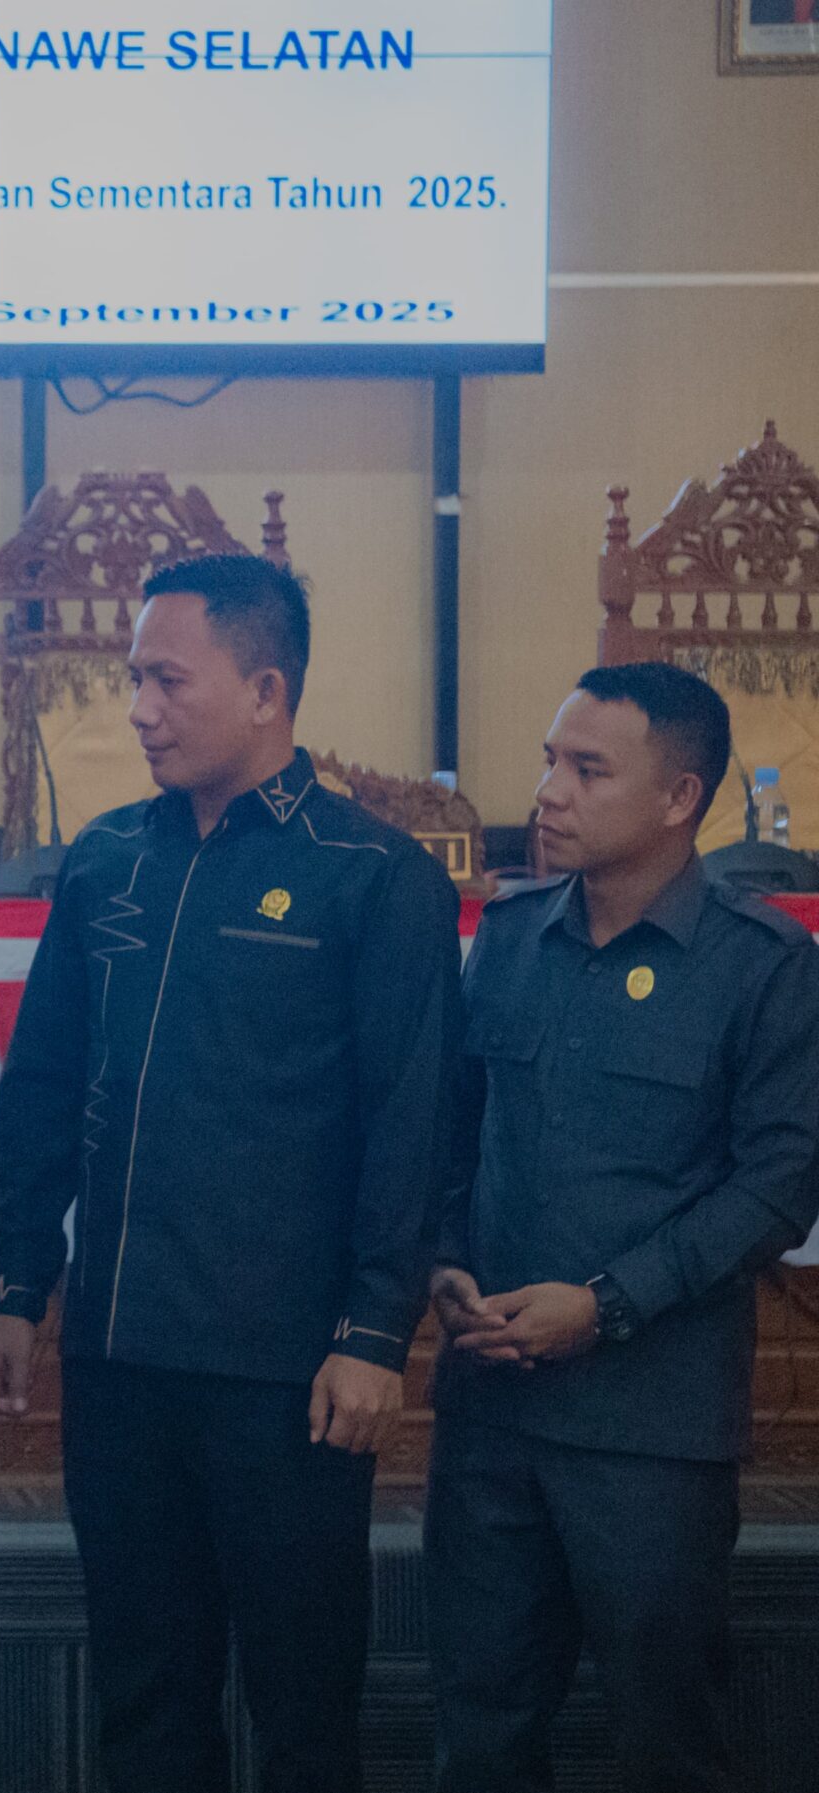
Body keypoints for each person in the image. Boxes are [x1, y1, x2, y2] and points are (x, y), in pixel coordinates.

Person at [0, 553, 462, 1793]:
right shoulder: (103, 859)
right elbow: (41, 1086)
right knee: (144, 1695)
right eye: (132, 678)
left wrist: (373, 1330)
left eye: (166, 679)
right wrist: (14, 1280)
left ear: (265, 689)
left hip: (287, 1369)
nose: (137, 708)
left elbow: (410, 1122)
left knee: (302, 1705)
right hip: (118, 1353)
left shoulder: (373, 874)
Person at [427, 664, 819, 1793]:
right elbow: (452, 1133)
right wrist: (443, 1260)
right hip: (491, 1414)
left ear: (678, 797)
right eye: (551, 759)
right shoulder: (509, 935)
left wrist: (604, 1305)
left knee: (667, 1740)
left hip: (651, 1430)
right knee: (480, 1733)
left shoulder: (762, 966)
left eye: (588, 769)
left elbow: (777, 1187)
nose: (548, 790)